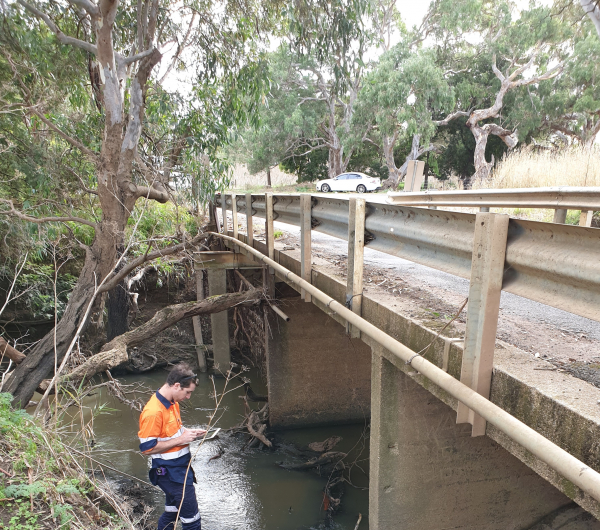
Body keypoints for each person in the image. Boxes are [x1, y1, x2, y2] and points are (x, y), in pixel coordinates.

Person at [138, 363, 206, 530]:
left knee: (172, 513)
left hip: (180, 470)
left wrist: (189, 433)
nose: (188, 397)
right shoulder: (153, 412)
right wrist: (181, 439)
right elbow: (147, 448)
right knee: (192, 521)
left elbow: (173, 432)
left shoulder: (172, 403)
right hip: (170, 474)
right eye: (187, 392)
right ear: (177, 386)